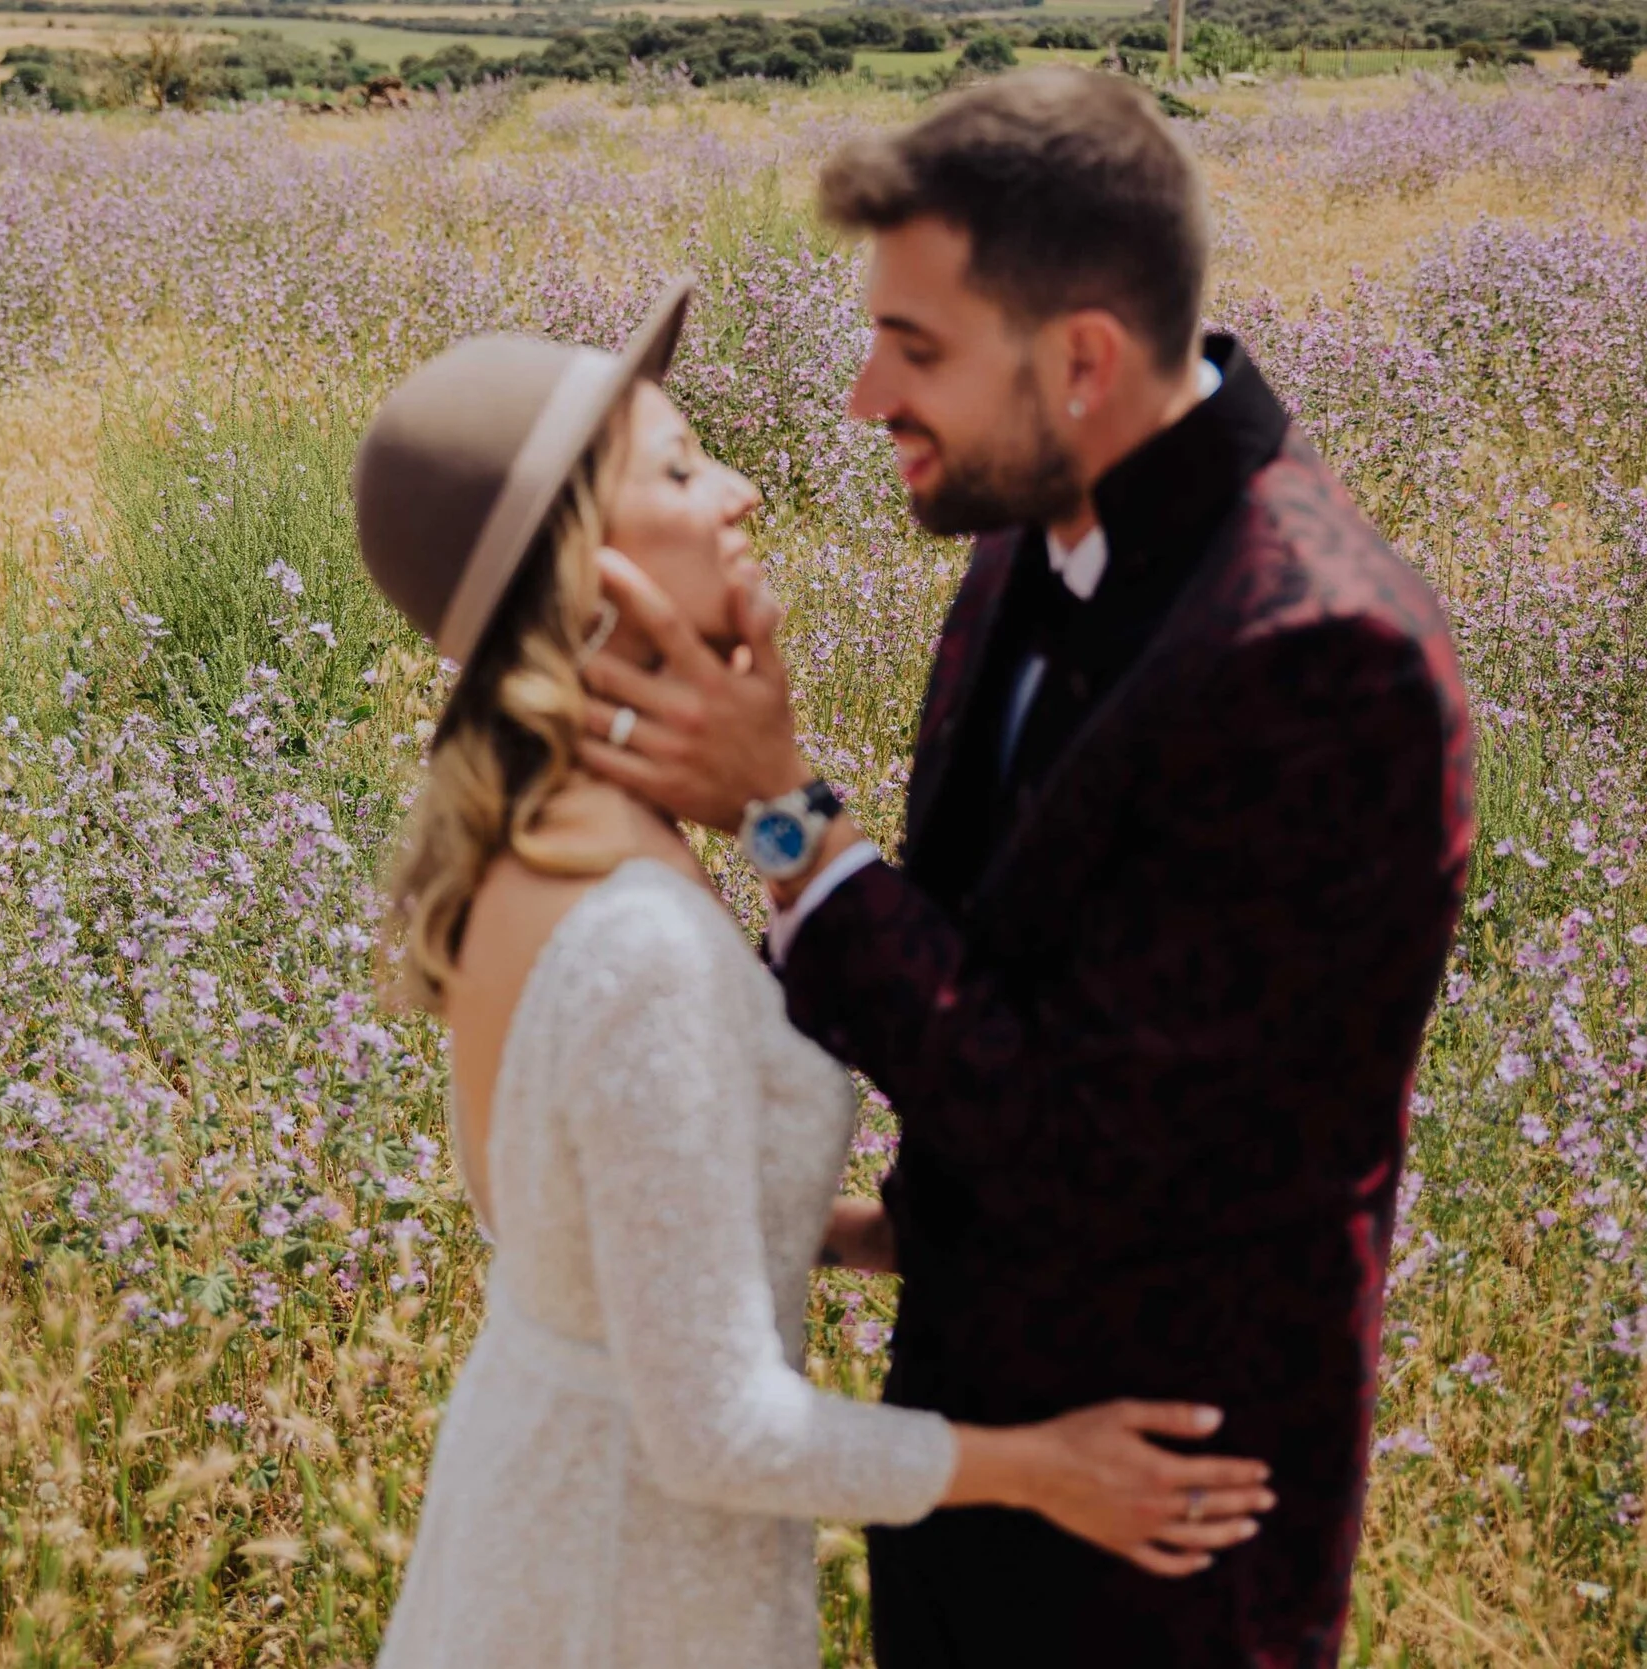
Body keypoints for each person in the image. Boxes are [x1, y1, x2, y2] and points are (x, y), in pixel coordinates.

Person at [575, 72, 1476, 1667]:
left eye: (913, 349)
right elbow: (1015, 986)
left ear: (1081, 362)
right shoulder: (1028, 530)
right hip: (970, 1462)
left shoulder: (1327, 659)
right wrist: (873, 1225)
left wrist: (786, 820)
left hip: (1159, 1546)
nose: (864, 398)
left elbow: (1105, 1140)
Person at [353, 277, 1275, 1669]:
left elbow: (576, 1216)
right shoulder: (640, 936)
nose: (741, 490)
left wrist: (843, 1230)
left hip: (542, 1522)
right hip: (626, 1586)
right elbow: (719, 1430)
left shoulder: (523, 838)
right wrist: (1048, 1468)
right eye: (680, 470)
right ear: (585, 578)